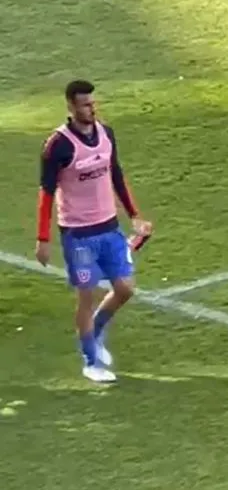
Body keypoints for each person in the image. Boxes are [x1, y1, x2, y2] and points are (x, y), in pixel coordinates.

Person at [35, 80, 153, 383]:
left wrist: (134, 215)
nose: (92, 108)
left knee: (125, 288)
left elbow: (117, 175)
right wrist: (43, 239)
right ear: (71, 107)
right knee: (86, 297)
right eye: (85, 104)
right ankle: (90, 362)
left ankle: (96, 332)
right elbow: (46, 193)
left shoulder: (106, 134)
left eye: (93, 103)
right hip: (78, 235)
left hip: (109, 227)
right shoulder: (58, 146)